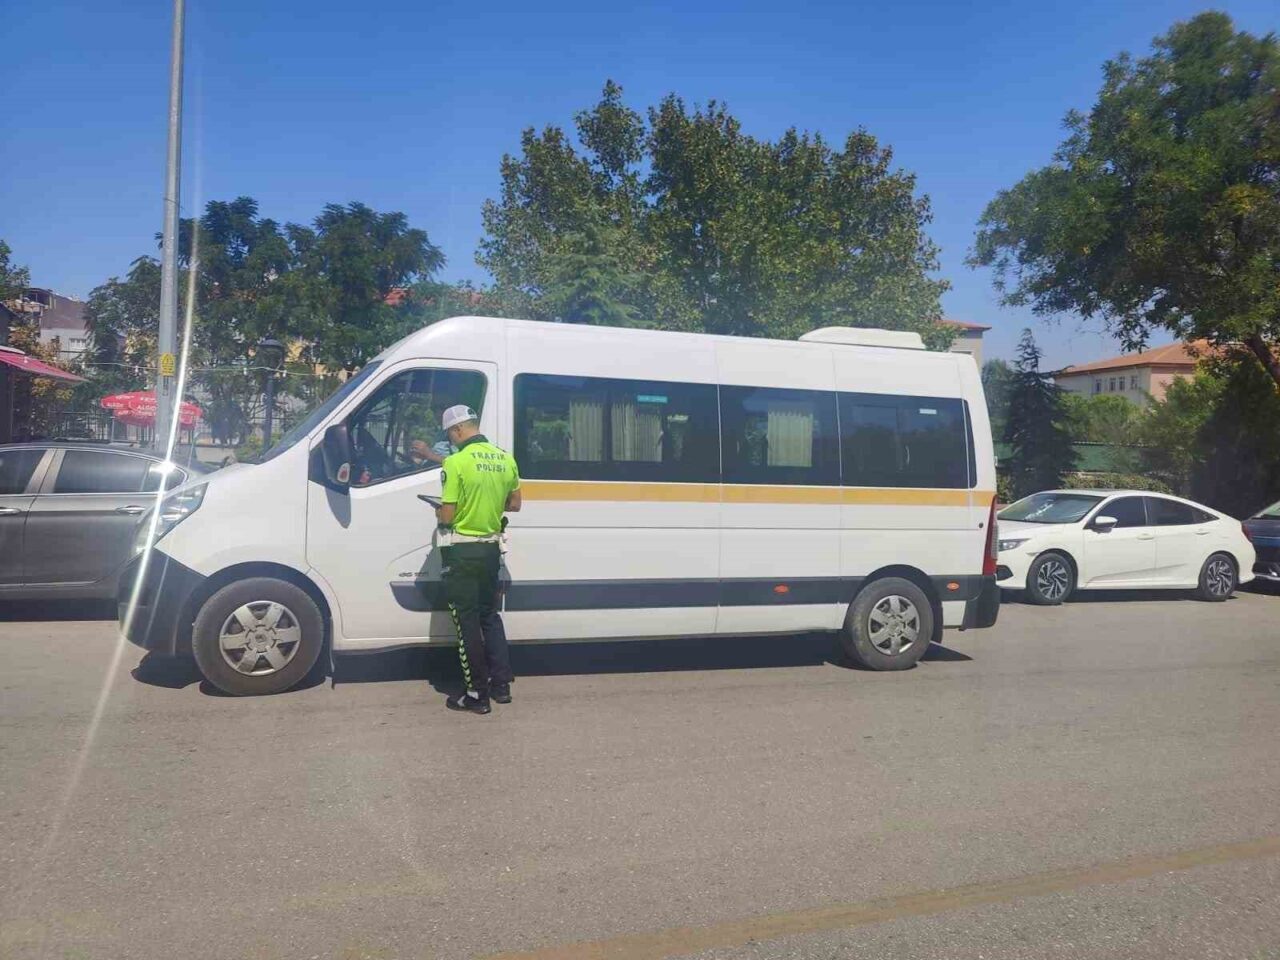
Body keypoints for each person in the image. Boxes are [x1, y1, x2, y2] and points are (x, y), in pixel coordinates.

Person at [435, 405, 521, 715]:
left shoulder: (456, 462)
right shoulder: (505, 458)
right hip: (490, 551)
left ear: (457, 430)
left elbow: (448, 514)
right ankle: (501, 686)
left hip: (462, 550)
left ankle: (476, 694)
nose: (451, 441)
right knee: (490, 616)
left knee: (467, 622)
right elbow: (515, 504)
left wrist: (441, 514)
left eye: (450, 435)